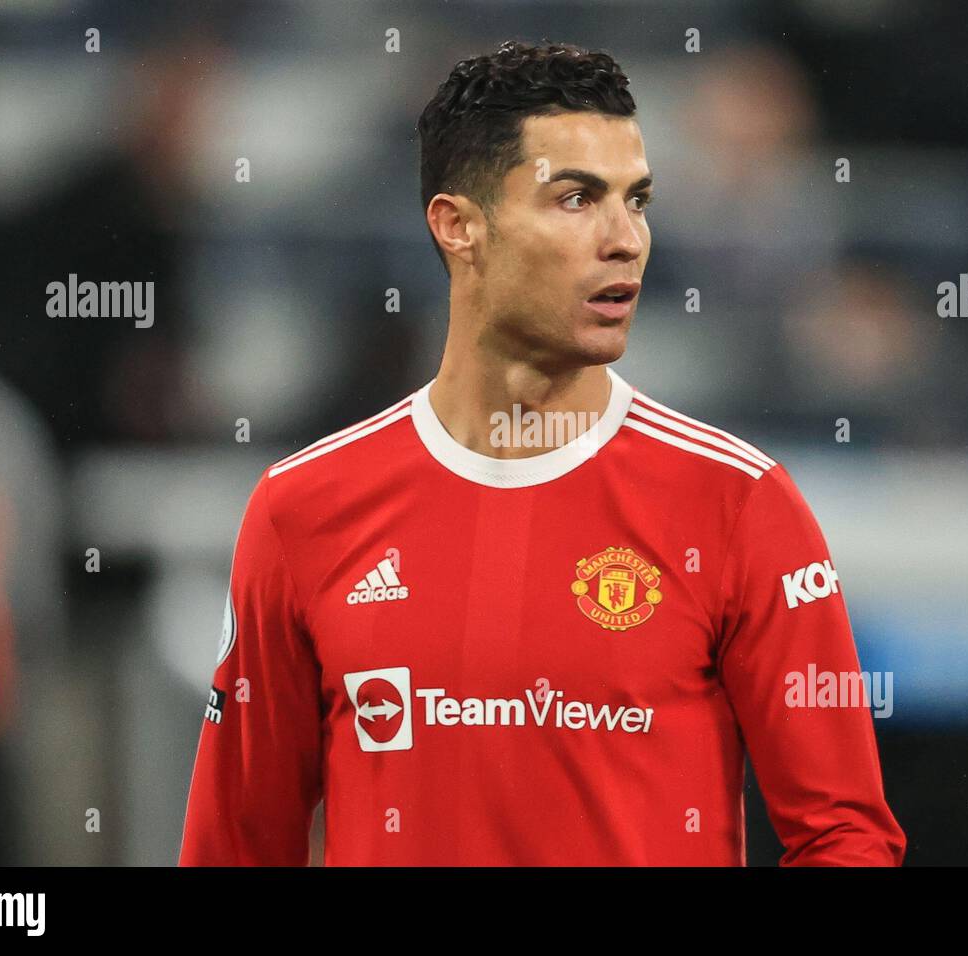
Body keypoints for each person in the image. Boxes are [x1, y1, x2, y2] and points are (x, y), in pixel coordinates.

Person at [179, 40, 905, 866]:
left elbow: (847, 838)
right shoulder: (302, 510)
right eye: (576, 199)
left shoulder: (738, 505)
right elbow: (234, 846)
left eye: (639, 201)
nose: (626, 239)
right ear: (459, 227)